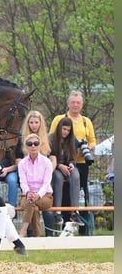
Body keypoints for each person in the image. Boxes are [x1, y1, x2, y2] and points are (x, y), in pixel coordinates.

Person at [49, 90, 96, 234]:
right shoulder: (59, 119)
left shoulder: (86, 121)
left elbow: (92, 140)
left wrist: (88, 147)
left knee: (80, 190)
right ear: (68, 103)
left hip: (78, 161)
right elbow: (51, 140)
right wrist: (57, 164)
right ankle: (60, 217)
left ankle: (77, 217)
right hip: (58, 161)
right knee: (60, 186)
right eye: (73, 102)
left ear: (82, 105)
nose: (75, 105)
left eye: (78, 103)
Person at [20, 110, 55, 236]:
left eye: (36, 143)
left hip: (45, 196)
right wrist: (29, 193)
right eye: (30, 144)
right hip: (27, 195)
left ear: (40, 145)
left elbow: (46, 184)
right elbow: (23, 182)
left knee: (31, 203)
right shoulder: (22, 163)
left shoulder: (46, 162)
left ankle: (23, 231)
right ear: (26, 146)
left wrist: (37, 195)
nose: (33, 146)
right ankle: (37, 237)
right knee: (32, 205)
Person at [49, 117, 80, 225]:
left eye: (68, 130)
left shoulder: (72, 140)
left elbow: (73, 158)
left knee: (75, 175)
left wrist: (71, 165)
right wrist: (59, 165)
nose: (65, 132)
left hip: (67, 167)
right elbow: (48, 158)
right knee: (58, 177)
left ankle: (74, 212)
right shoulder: (51, 139)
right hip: (55, 167)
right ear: (59, 128)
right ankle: (57, 212)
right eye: (64, 129)